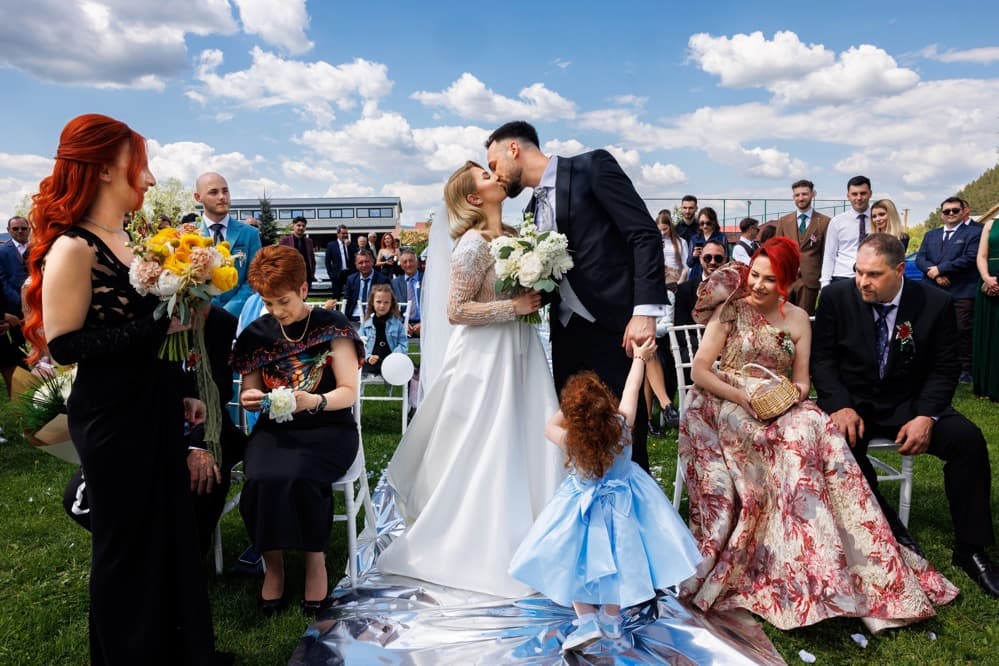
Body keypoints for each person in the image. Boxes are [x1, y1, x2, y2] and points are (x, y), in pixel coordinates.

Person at [23, 113, 228, 664]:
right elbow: (66, 345)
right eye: (142, 165)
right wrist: (165, 324)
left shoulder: (132, 239)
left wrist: (180, 382)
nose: (151, 179)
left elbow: (150, 336)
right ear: (109, 169)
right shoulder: (74, 247)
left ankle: (174, 649)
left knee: (166, 538)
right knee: (127, 550)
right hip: (114, 417)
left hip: (155, 404)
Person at [678, 236, 959, 631]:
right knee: (792, 442)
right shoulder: (731, 311)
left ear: (789, 283)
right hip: (726, 403)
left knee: (818, 427)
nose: (757, 285)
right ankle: (795, 559)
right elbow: (701, 370)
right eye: (754, 275)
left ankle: (845, 554)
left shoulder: (796, 319)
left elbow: (803, 382)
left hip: (777, 402)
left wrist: (789, 396)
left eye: (769, 280)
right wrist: (743, 397)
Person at [376, 161, 565, 597]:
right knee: (490, 441)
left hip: (522, 353)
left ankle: (541, 533)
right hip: (485, 358)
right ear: (474, 199)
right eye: (484, 177)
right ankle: (482, 541)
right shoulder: (473, 245)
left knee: (530, 435)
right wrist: (512, 309)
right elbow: (455, 311)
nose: (496, 177)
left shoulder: (519, 240)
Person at [813, 233, 999, 598]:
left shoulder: (935, 302)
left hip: (910, 404)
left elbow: (945, 367)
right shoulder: (836, 297)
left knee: (968, 441)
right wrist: (839, 405)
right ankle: (893, 536)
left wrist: (927, 415)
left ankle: (972, 549)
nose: (863, 282)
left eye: (874, 274)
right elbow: (822, 359)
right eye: (858, 272)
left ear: (900, 271)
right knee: (838, 447)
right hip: (855, 402)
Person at [486, 120, 666, 471]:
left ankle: (635, 517)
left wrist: (644, 312)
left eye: (494, 165)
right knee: (579, 442)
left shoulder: (591, 167)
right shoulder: (530, 212)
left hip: (615, 328)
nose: (495, 175)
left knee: (625, 437)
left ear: (514, 149)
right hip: (567, 336)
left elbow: (643, 235)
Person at [509, 341, 701, 653]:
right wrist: (639, 358)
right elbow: (633, 388)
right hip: (624, 508)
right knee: (621, 561)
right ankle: (611, 620)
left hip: (582, 509)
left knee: (573, 560)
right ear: (607, 405)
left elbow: (549, 426)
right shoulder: (623, 426)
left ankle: (586, 621)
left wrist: (574, 407)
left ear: (574, 415)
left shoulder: (572, 440)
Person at [232, 245, 364, 616]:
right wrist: (252, 398)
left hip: (328, 425)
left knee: (301, 476)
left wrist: (315, 401)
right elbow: (248, 392)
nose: (276, 311)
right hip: (276, 429)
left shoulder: (332, 326)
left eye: (283, 301)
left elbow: (347, 392)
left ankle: (314, 562)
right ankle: (273, 566)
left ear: (304, 290)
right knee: (260, 479)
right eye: (268, 302)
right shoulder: (256, 334)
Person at [915, 197, 981, 384]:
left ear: (963, 212)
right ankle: (931, 364)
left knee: (962, 329)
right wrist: (935, 274)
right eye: (947, 211)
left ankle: (965, 369)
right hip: (933, 290)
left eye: (955, 210)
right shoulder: (931, 235)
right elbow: (921, 258)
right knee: (931, 328)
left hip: (962, 290)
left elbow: (970, 258)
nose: (951, 214)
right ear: (941, 214)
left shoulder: (974, 233)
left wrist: (941, 269)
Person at [193, 172, 261, 316]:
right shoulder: (187, 235)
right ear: (198, 198)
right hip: (198, 320)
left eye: (225, 191)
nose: (222, 197)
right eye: (213, 192)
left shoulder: (250, 234)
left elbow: (255, 279)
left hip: (238, 319)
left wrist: (227, 313)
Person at [775, 179, 830, 315]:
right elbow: (777, 252)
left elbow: (826, 253)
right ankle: (786, 338)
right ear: (793, 197)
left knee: (805, 318)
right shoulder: (783, 221)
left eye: (804, 194)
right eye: (797, 195)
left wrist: (824, 279)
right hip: (787, 279)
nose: (801, 198)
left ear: (813, 194)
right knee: (783, 319)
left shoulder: (824, 222)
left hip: (810, 280)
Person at [820, 174, 873, 286]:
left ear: (870, 194)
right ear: (848, 196)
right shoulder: (837, 222)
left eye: (863, 193)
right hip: (843, 277)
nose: (859, 198)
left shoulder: (878, 218)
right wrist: (825, 283)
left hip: (871, 276)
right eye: (854, 194)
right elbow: (830, 254)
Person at [974, 214, 999, 400]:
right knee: (988, 333)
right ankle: (986, 386)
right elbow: (981, 256)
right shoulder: (990, 224)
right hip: (988, 282)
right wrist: (987, 278)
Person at [358, 283, 407, 376]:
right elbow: (359, 344)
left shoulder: (397, 325)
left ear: (391, 303)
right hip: (372, 362)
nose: (382, 306)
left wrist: (394, 357)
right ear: (372, 302)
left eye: (386, 302)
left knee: (406, 369)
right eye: (379, 302)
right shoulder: (366, 324)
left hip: (392, 362)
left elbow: (403, 344)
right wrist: (368, 357)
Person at [343, 249, 390, 322]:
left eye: (367, 262)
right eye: (360, 263)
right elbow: (346, 301)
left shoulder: (383, 280)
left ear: (372, 262)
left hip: (374, 317)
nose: (364, 265)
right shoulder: (351, 280)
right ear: (356, 265)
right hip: (354, 317)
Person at [391, 249, 422, 336]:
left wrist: (425, 323)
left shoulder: (427, 279)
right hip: (402, 324)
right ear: (401, 265)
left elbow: (434, 305)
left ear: (417, 263)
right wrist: (402, 323)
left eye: (411, 261)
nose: (408, 264)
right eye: (405, 262)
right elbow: (392, 307)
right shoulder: (395, 283)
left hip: (425, 324)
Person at [279, 215, 316, 285]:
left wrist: (312, 274)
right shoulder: (285, 241)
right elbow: (279, 259)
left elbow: (312, 259)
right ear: (293, 226)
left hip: (306, 277)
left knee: (304, 296)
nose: (301, 228)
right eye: (298, 225)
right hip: (290, 277)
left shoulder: (309, 242)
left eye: (303, 226)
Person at [324, 224, 356, 298]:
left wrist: (350, 245)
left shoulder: (351, 244)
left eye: (346, 233)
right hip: (337, 274)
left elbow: (357, 255)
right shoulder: (331, 245)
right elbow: (327, 261)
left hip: (349, 273)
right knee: (336, 295)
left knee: (350, 294)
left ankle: (348, 309)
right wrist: (331, 274)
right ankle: (335, 309)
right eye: (343, 233)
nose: (345, 235)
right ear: (338, 234)